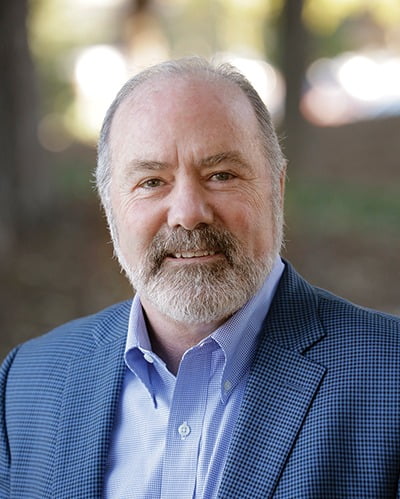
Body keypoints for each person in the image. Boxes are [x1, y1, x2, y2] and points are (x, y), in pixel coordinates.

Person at [0, 57, 399, 498]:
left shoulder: (389, 376)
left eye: (221, 175)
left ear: (277, 188)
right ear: (109, 205)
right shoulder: (27, 382)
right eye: (152, 182)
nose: (188, 214)